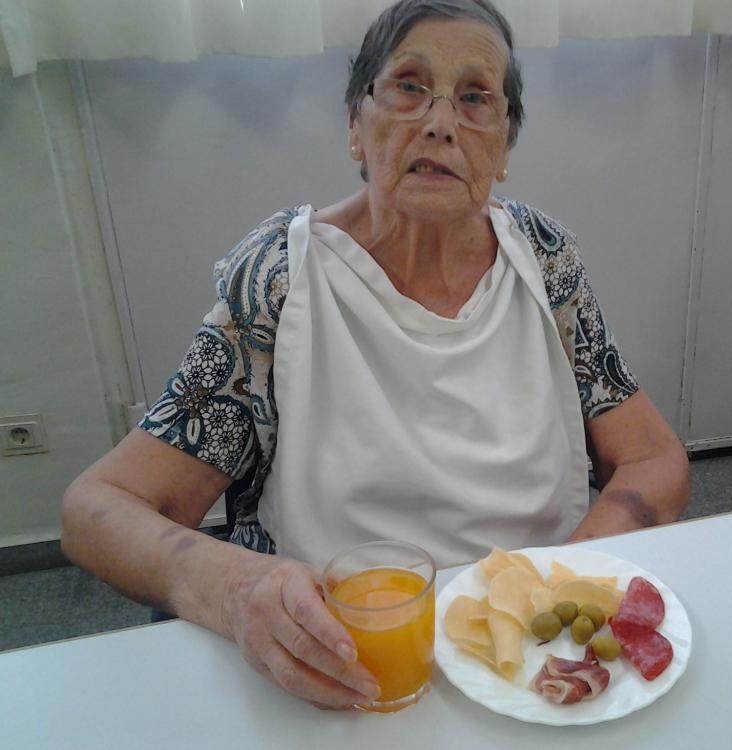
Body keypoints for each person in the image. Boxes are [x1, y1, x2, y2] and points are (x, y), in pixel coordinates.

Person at [60, 0, 689, 710]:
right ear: (355, 126)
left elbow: (654, 459)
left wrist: (557, 589)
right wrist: (235, 591)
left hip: (531, 669)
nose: (441, 123)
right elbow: (96, 509)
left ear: (504, 149)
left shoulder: (543, 261)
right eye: (409, 87)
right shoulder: (281, 278)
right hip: (342, 668)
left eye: (475, 98)